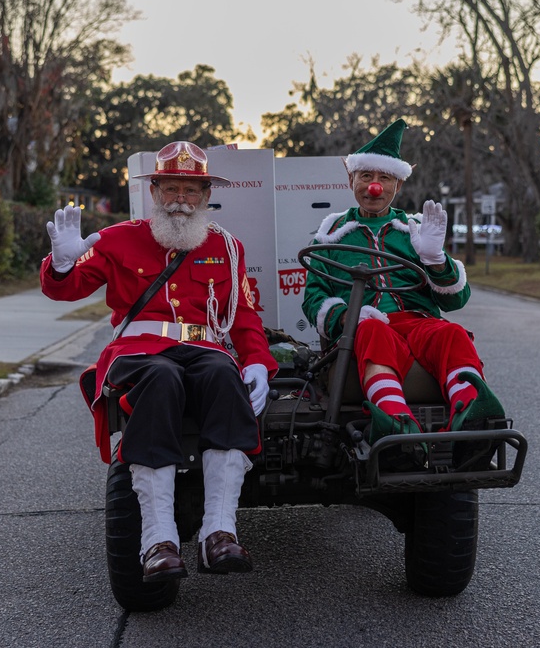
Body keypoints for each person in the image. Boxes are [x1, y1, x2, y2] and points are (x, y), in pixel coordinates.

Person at [40, 140, 277, 583]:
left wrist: (258, 362)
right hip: (139, 352)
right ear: (154, 193)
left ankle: (219, 533)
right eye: (171, 188)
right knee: (162, 377)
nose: (180, 200)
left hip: (205, 348)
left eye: (191, 190)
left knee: (223, 376)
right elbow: (66, 290)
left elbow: (243, 314)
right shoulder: (118, 239)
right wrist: (61, 264)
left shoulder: (227, 247)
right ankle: (158, 540)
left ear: (206, 196)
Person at [301, 119, 504, 443]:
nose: (374, 186)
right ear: (351, 180)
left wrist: (435, 259)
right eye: (366, 176)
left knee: (451, 333)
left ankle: (472, 418)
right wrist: (349, 317)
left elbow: (456, 300)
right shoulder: (330, 237)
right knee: (373, 331)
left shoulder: (416, 231)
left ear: (399, 186)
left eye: (384, 178)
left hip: (417, 322)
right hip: (364, 329)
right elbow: (314, 299)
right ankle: (395, 424)